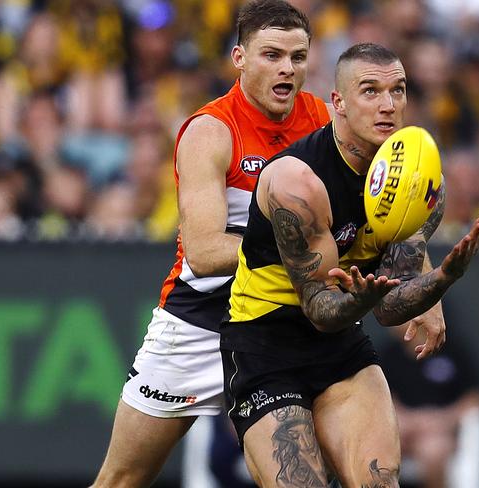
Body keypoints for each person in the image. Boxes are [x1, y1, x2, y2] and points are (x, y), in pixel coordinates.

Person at [220, 42, 479, 487]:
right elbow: (321, 310)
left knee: (379, 481)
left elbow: (388, 309)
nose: (389, 106)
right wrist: (363, 299)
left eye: (398, 90)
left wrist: (442, 278)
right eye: (371, 91)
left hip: (340, 348)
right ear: (338, 103)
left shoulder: (418, 180)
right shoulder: (297, 183)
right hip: (266, 344)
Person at [91, 1, 330, 486]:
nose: (287, 68)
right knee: (122, 479)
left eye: (298, 57)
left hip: (274, 323)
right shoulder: (210, 131)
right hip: (199, 324)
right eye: (272, 55)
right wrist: (295, 252)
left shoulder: (324, 122)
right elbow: (203, 253)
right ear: (239, 58)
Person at [379, 321, 479, 488]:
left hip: (438, 433)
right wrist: (404, 418)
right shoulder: (389, 354)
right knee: (378, 447)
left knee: (433, 451)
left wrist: (444, 419)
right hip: (402, 430)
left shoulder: (452, 351)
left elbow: (478, 397)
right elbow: (380, 395)